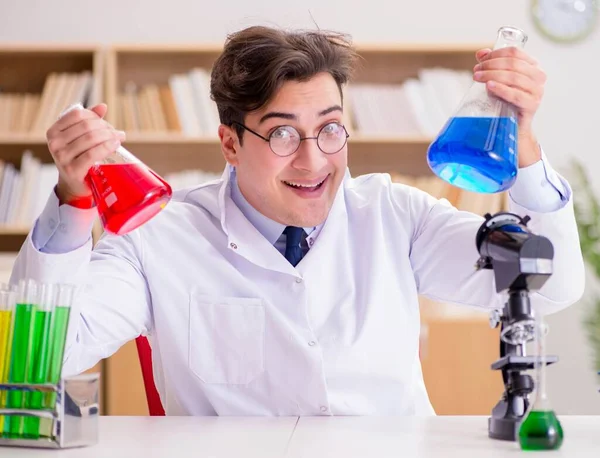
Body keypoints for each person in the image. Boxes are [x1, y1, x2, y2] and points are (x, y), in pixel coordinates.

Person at [10, 26, 584, 416]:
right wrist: (73, 196)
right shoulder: (158, 237)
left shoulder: (395, 214)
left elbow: (550, 285)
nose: (313, 160)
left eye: (330, 128)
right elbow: (50, 357)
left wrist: (526, 146)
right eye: (282, 133)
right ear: (230, 143)